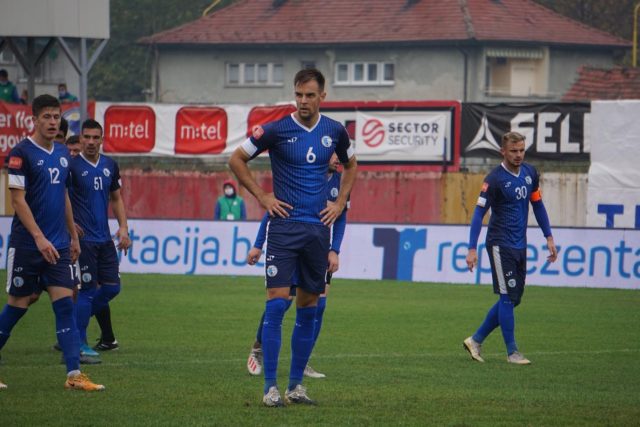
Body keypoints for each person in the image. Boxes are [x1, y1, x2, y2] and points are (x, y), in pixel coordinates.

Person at [229, 68, 357, 407]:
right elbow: (236, 159)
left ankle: (296, 386)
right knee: (276, 303)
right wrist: (262, 197)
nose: (303, 101)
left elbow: (352, 165)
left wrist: (341, 201)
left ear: (322, 97)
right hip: (284, 230)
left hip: (317, 233)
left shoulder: (335, 131)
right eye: (299, 94)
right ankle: (270, 387)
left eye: (310, 95)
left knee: (309, 307)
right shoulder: (276, 129)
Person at [0, 94, 104, 391]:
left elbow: (64, 198)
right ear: (34, 119)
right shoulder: (21, 153)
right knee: (18, 306)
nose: (51, 121)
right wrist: (38, 236)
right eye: (46, 116)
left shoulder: (61, 154)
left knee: (65, 308)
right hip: (27, 246)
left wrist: (73, 235)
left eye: (55, 116)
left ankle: (74, 375)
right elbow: (17, 200)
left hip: (58, 246)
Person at [246, 154, 347, 379]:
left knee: (318, 306)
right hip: (290, 245)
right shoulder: (303, 175)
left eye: (341, 153)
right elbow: (273, 210)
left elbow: (340, 217)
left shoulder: (341, 182)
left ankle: (303, 361)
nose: (338, 157)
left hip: (318, 249)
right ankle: (258, 347)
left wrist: (334, 250)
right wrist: (257, 245)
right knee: (282, 303)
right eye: (334, 152)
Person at [463, 131, 558, 365]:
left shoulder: (529, 173)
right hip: (499, 244)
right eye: (514, 151)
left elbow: (537, 204)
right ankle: (512, 352)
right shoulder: (494, 179)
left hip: (520, 244)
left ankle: (475, 340)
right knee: (506, 297)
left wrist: (549, 237)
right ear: (502, 152)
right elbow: (478, 214)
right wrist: (471, 248)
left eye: (522, 150)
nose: (518, 155)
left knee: (514, 299)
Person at [69, 119, 131, 359]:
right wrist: (70, 225)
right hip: (83, 240)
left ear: (102, 139)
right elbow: (60, 198)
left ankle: (71, 327)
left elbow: (116, 199)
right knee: (85, 291)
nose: (91, 142)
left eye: (96, 138)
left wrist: (123, 227)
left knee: (113, 288)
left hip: (105, 238)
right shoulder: (72, 167)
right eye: (87, 137)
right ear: (81, 138)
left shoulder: (109, 165)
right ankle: (79, 342)